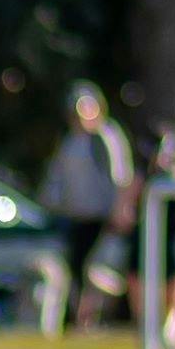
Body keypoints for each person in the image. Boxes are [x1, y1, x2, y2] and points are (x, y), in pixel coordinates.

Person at [38, 85, 135, 331]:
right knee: (75, 268)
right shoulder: (70, 140)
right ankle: (78, 319)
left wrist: (120, 210)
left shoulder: (105, 137)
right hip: (75, 216)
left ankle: (89, 317)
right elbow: (57, 178)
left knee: (95, 269)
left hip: (101, 216)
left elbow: (122, 178)